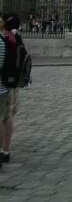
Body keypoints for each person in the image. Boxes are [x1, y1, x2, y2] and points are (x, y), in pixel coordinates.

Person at [0, 14, 28, 163]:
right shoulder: (15, 37)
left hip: (4, 84)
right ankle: (5, 149)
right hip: (11, 83)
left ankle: (3, 149)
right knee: (7, 117)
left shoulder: (6, 38)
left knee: (4, 117)